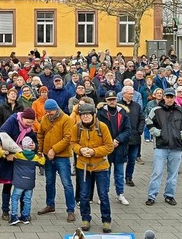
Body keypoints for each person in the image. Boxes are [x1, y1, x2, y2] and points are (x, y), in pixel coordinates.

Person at [71, 102, 114, 233]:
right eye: (82, 115)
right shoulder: (76, 128)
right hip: (83, 167)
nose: (85, 117)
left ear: (93, 115)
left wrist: (94, 152)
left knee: (103, 195)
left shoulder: (102, 127)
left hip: (100, 166)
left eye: (87, 115)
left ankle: (106, 220)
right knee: (84, 195)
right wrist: (80, 149)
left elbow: (109, 146)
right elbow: (72, 143)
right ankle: (85, 219)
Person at [145, 87, 182, 206]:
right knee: (157, 172)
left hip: (176, 146)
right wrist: (158, 133)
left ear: (174, 98)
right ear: (164, 97)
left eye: (171, 97)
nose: (169, 99)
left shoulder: (181, 111)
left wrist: (180, 135)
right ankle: (152, 196)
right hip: (161, 146)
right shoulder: (156, 110)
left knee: (173, 173)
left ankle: (169, 195)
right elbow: (149, 123)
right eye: (167, 97)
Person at [37, 98, 76, 221]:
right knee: (49, 182)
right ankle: (50, 205)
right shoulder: (44, 118)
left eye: (50, 112)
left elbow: (68, 138)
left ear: (56, 109)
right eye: (46, 112)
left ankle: (71, 210)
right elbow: (40, 134)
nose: (48, 114)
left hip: (62, 157)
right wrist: (40, 149)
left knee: (67, 184)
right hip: (47, 156)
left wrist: (53, 150)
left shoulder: (67, 119)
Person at [96, 91, 131, 205]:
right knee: (105, 173)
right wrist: (109, 141)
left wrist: (118, 139)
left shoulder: (123, 113)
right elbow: (98, 129)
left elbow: (128, 130)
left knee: (119, 173)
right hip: (106, 147)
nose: (112, 101)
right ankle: (103, 195)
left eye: (114, 99)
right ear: (106, 101)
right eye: (109, 99)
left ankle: (120, 194)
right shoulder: (101, 113)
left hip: (120, 147)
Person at [9, 137, 45, 226]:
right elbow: (42, 162)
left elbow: (10, 157)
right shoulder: (35, 157)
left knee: (15, 198)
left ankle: (14, 216)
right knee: (27, 199)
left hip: (19, 182)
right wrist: (42, 156)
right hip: (29, 182)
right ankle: (25, 216)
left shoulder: (18, 155)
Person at [120, 85, 145, 187]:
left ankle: (129, 177)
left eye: (132, 94)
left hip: (134, 136)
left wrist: (139, 131)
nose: (131, 96)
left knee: (132, 159)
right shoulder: (119, 106)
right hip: (121, 137)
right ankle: (119, 177)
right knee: (120, 159)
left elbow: (142, 119)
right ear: (124, 94)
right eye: (130, 94)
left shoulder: (137, 106)